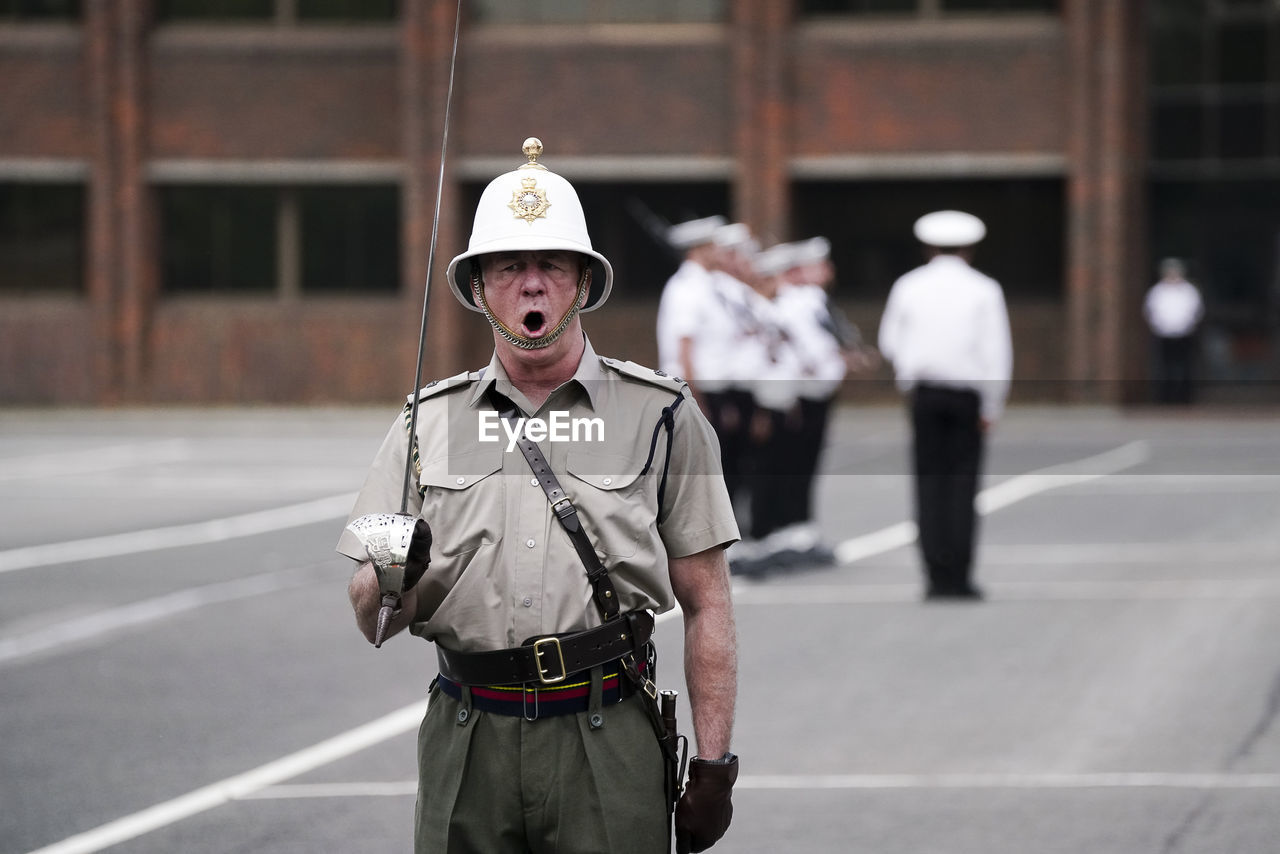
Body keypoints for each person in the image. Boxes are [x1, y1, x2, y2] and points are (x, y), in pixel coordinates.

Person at [338, 138, 740, 854]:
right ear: (479, 289)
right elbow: (371, 618)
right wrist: (394, 573)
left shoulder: (662, 414)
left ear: (582, 283)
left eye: (551, 265)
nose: (531, 285)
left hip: (607, 733)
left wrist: (714, 765)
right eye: (509, 267)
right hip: (468, 737)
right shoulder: (426, 424)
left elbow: (708, 600)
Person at [877, 210, 1012, 601]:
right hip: (967, 395)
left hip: (924, 393)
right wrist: (993, 405)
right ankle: (960, 576)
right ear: (969, 248)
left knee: (929, 483)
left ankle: (935, 576)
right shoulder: (985, 288)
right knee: (963, 484)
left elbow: (889, 340)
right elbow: (996, 352)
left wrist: (908, 370)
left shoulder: (908, 285)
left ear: (928, 247)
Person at [1143, 257, 1204, 405]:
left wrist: (1188, 325)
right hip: (1164, 335)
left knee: (1184, 366)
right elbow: (1150, 311)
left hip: (1184, 334)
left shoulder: (1189, 290)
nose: (1172, 274)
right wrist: (1159, 326)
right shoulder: (1157, 291)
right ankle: (1165, 398)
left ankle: (1184, 398)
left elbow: (1196, 310)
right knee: (1164, 367)